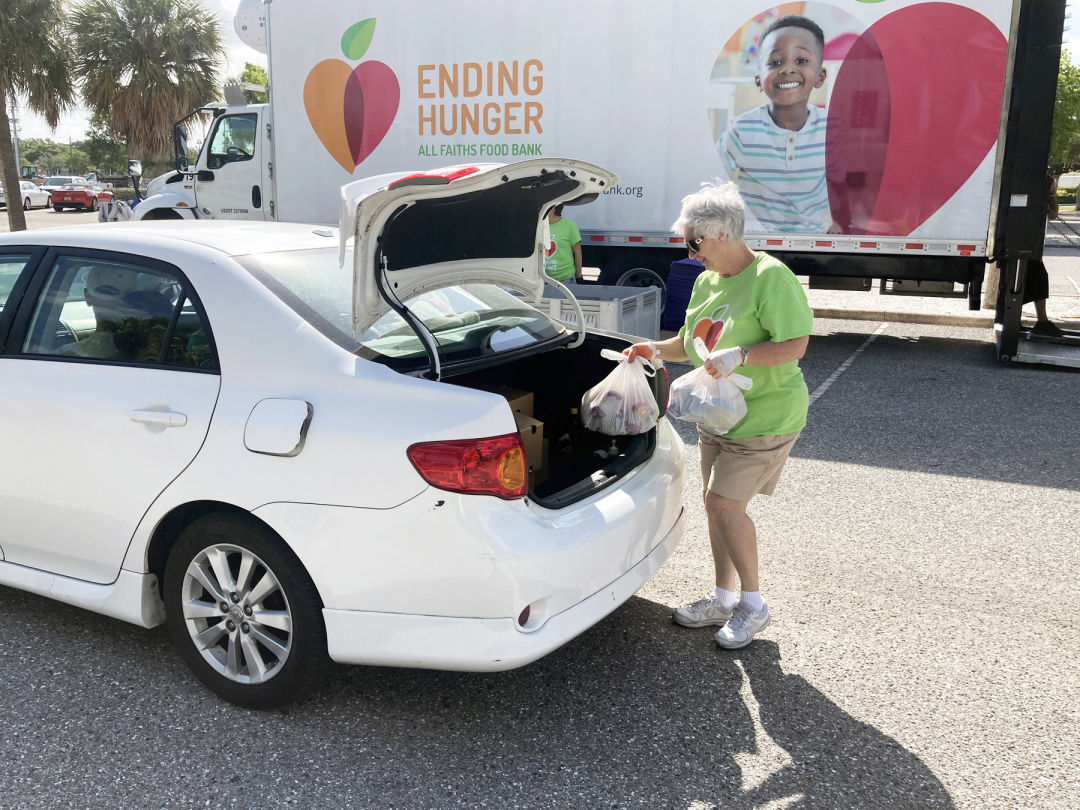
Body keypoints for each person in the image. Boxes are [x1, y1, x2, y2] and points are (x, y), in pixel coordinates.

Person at [625, 180, 814, 649]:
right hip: (720, 415)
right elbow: (691, 344)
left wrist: (743, 355)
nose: (690, 253)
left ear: (723, 234)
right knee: (716, 507)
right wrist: (652, 348)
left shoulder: (772, 278)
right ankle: (723, 598)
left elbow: (796, 344)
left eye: (695, 242)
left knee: (725, 505)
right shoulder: (708, 281)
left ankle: (754, 606)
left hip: (765, 418)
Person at [717, 15, 832, 233]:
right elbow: (710, 178)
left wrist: (841, 225)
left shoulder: (832, 130)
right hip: (754, 243)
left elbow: (850, 191)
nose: (787, 69)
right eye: (775, 62)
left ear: (820, 76)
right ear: (759, 80)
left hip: (813, 243)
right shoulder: (742, 130)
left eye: (801, 61)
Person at [544, 204, 583, 284]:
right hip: (544, 279)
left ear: (553, 209)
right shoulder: (540, 226)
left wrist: (578, 275)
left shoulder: (569, 225)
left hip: (566, 279)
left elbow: (578, 253)